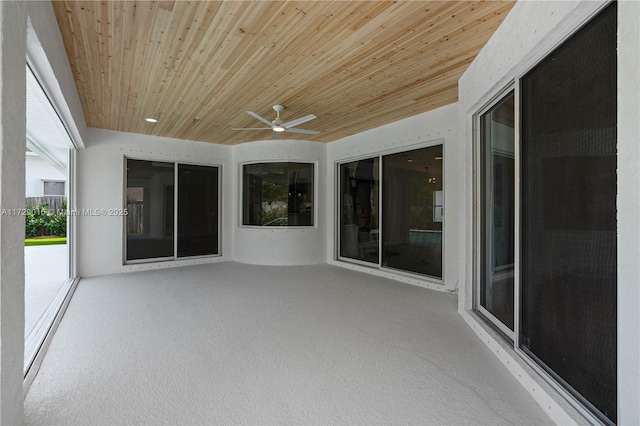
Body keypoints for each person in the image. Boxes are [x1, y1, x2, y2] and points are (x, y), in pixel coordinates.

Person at [354, 158, 374, 231]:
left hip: (364, 181)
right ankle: (368, 222)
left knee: (365, 203)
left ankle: (367, 223)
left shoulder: (367, 160)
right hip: (363, 181)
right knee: (364, 203)